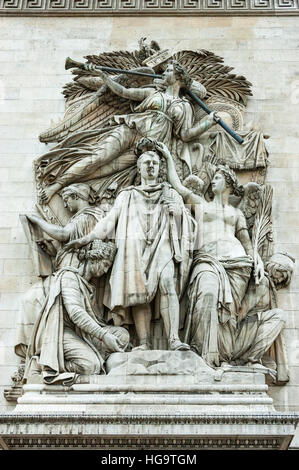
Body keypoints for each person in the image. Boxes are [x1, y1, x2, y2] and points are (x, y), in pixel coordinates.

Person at [65, 138, 197, 352]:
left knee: (166, 282)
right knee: (138, 293)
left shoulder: (170, 192)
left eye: (154, 162)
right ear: (139, 168)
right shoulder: (127, 195)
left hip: (161, 243)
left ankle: (174, 339)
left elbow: (190, 224)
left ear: (161, 167)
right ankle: (144, 342)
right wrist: (85, 239)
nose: (151, 166)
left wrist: (179, 214)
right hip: (134, 249)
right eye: (146, 162)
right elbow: (108, 223)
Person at [39, 60, 218, 204]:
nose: (164, 73)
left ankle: (71, 184)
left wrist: (208, 123)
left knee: (105, 170)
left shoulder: (185, 106)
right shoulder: (152, 93)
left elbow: (185, 134)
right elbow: (123, 91)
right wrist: (105, 77)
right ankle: (56, 185)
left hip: (146, 148)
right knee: (98, 157)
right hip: (130, 130)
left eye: (169, 70)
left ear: (179, 77)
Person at [159, 141, 264, 367]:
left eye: (217, 177)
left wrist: (258, 259)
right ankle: (204, 356)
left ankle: (222, 357)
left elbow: (246, 241)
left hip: (238, 264)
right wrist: (168, 157)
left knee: (227, 314)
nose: (212, 180)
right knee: (207, 295)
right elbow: (177, 185)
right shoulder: (200, 204)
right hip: (207, 260)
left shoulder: (236, 213)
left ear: (227, 182)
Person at [15, 183, 104, 360]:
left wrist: (37, 221)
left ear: (77, 197)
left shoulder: (86, 217)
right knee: (30, 300)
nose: (65, 205)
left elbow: (63, 234)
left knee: (30, 300)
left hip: (70, 277)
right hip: (65, 273)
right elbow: (69, 249)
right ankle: (38, 349)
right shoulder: (81, 218)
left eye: (66, 199)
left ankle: (38, 350)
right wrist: (52, 251)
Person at [25, 240, 129, 385]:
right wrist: (104, 335)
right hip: (60, 333)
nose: (105, 270)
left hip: (80, 333)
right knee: (90, 365)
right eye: (105, 265)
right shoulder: (69, 278)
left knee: (122, 335)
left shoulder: (87, 286)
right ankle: (44, 365)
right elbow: (76, 313)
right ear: (94, 259)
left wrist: (107, 333)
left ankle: (93, 354)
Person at [232, 252, 294, 384]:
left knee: (278, 315)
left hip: (249, 329)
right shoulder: (263, 282)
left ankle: (251, 358)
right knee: (279, 315)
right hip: (240, 335)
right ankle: (251, 359)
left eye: (283, 278)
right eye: (281, 274)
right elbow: (242, 310)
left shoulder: (267, 284)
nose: (280, 280)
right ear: (273, 267)